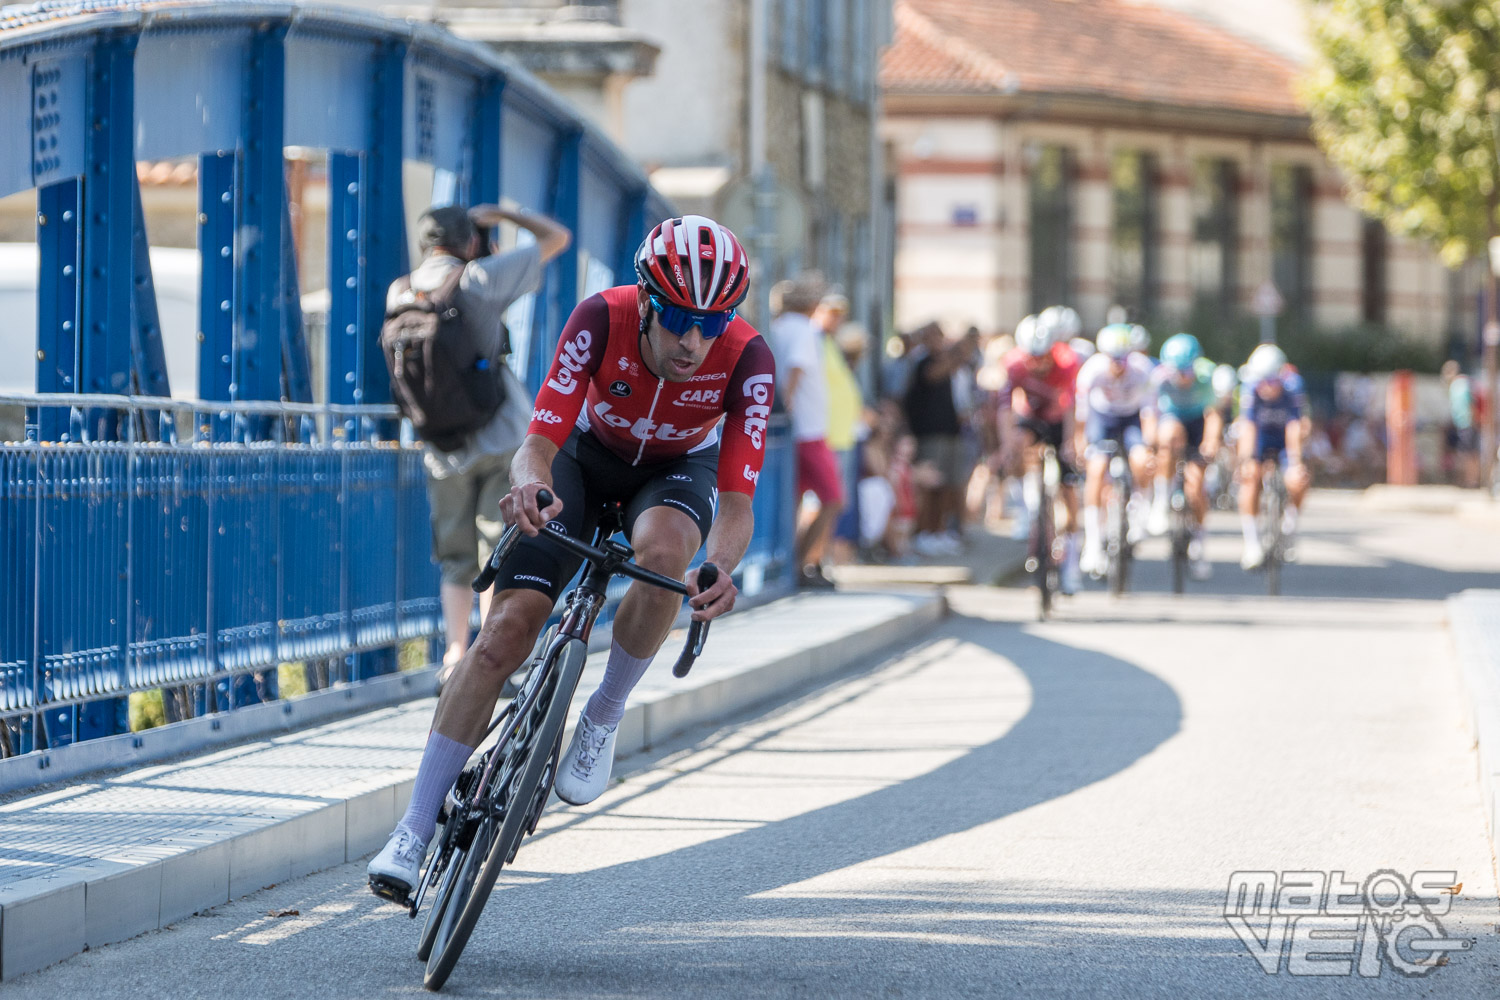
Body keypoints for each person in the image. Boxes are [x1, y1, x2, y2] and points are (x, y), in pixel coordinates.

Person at [368, 216, 774, 899]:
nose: (695, 340)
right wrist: (527, 485)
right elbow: (541, 437)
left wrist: (723, 566)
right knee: (502, 634)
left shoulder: (748, 359)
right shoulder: (600, 317)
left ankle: (604, 714)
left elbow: (736, 500)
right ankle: (411, 830)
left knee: (668, 553)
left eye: (714, 320)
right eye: (678, 317)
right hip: (582, 460)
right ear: (646, 301)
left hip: (674, 475)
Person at [390, 204, 572, 682]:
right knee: (498, 549)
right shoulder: (478, 279)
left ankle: (453, 653)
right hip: (499, 437)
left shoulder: (400, 291)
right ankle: (487, 656)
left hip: (440, 445)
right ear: (469, 242)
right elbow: (557, 238)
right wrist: (510, 213)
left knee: (455, 554)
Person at [999, 311, 1084, 593]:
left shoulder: (1067, 360)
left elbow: (1072, 407)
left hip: (1059, 420)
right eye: (1031, 357)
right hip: (1031, 418)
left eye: (1042, 357)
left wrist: (1071, 443)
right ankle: (1027, 507)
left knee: (1067, 491)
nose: (1037, 364)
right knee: (1018, 443)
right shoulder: (1013, 365)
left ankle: (1071, 567)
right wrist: (1006, 444)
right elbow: (1004, 409)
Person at [772, 275, 844, 588]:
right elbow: (795, 371)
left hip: (798, 430)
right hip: (807, 429)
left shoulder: (778, 326)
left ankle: (794, 563)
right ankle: (802, 563)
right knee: (833, 498)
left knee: (795, 500)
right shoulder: (803, 330)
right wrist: (786, 409)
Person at [1074, 323, 1157, 577]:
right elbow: (1081, 413)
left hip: (1131, 417)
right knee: (1097, 469)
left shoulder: (1143, 370)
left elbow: (1150, 413)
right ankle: (1092, 542)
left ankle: (1139, 508)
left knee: (1141, 459)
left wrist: (1150, 445)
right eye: (1113, 359)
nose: (1118, 365)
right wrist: (1079, 442)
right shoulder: (1092, 370)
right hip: (1103, 417)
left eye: (1123, 359)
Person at [1146, 333, 1221, 580]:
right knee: (1167, 437)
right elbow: (1150, 413)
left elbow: (1213, 414)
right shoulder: (1159, 378)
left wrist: (1210, 442)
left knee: (1196, 487)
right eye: (1177, 372)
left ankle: (1199, 543)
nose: (1182, 377)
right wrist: (1150, 444)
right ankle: (1161, 500)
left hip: (1198, 424)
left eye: (1186, 371)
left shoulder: (1206, 376)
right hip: (1173, 421)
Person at [904, 322, 982, 556]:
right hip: (930, 434)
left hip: (951, 433)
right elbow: (934, 374)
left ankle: (939, 531)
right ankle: (924, 532)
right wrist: (957, 353)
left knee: (948, 486)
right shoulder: (922, 364)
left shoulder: (954, 366)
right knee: (930, 486)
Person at [1235, 343, 1311, 570]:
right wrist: (1246, 460)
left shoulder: (1293, 386)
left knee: (1298, 480)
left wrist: (1296, 462)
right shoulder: (1250, 387)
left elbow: (1295, 426)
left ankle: (1289, 528)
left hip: (1284, 438)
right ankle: (1252, 543)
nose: (1264, 388)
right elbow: (1248, 427)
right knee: (1250, 479)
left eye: (1269, 382)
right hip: (1261, 436)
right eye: (1261, 382)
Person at [1442, 360, 1479, 488]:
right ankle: (1469, 480)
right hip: (1463, 423)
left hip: (1466, 424)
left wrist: (1473, 421)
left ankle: (1470, 481)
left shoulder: (1461, 384)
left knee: (1468, 453)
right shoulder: (1458, 385)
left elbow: (1470, 403)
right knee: (1467, 452)